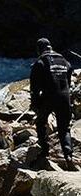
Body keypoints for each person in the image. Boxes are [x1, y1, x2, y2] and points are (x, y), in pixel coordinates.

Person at [30, 37, 74, 166]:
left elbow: (34, 89)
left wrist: (35, 104)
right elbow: (68, 80)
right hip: (65, 97)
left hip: (49, 98)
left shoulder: (40, 62)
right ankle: (68, 155)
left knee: (41, 122)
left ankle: (44, 151)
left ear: (39, 49)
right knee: (64, 128)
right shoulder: (64, 60)